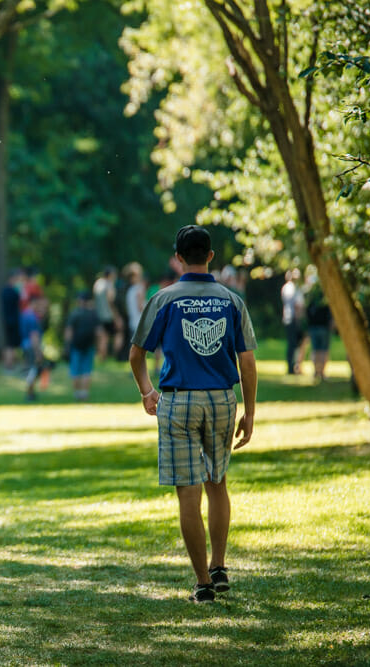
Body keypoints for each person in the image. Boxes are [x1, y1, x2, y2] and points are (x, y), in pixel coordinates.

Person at [128, 225, 257, 604]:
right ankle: (219, 566)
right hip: (221, 399)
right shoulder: (231, 301)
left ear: (178, 258)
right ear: (211, 256)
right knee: (218, 483)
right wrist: (249, 412)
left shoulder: (164, 299)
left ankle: (202, 583)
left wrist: (147, 391)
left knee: (189, 493)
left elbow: (137, 355)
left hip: (179, 401)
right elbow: (247, 363)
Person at [64, 291, 101, 402]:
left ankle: (77, 393)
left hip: (76, 346)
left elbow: (69, 331)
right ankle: (84, 393)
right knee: (86, 370)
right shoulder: (93, 314)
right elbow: (99, 332)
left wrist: (67, 345)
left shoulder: (74, 314)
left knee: (75, 370)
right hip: (89, 345)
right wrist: (100, 347)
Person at [304, 274, 333, 382]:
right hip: (322, 327)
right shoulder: (323, 295)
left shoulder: (310, 297)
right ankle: (321, 372)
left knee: (316, 350)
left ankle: (317, 371)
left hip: (315, 327)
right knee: (323, 350)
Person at [20, 296, 48, 401]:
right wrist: (38, 352)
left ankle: (30, 393)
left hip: (25, 345)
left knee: (30, 369)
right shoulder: (32, 317)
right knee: (33, 370)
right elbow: (34, 336)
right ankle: (30, 393)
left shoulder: (24, 314)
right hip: (32, 346)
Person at [281, 268, 307, 374]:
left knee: (293, 343)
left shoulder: (286, 287)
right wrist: (300, 318)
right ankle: (292, 367)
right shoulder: (293, 288)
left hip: (289, 317)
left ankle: (292, 366)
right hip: (293, 318)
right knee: (294, 344)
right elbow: (297, 304)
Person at [93, 267, 120, 362]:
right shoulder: (109, 285)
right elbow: (110, 301)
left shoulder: (98, 283)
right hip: (109, 315)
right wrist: (116, 316)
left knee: (102, 336)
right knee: (118, 333)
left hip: (99, 314)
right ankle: (116, 356)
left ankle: (101, 357)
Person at [1, 269, 24, 370]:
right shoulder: (14, 292)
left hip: (7, 320)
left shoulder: (4, 290)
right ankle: (9, 364)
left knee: (8, 343)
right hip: (13, 321)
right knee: (11, 344)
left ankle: (8, 363)